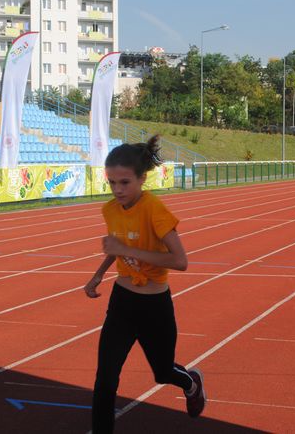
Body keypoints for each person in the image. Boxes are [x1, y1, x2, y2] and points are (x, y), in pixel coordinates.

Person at [84, 136, 205, 433]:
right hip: (122, 300)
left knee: (162, 372)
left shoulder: (154, 209)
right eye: (111, 182)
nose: (117, 190)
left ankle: (191, 383)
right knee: (106, 378)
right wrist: (99, 273)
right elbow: (118, 246)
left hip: (154, 306)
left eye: (124, 182)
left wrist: (126, 251)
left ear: (142, 178)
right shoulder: (110, 210)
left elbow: (180, 261)